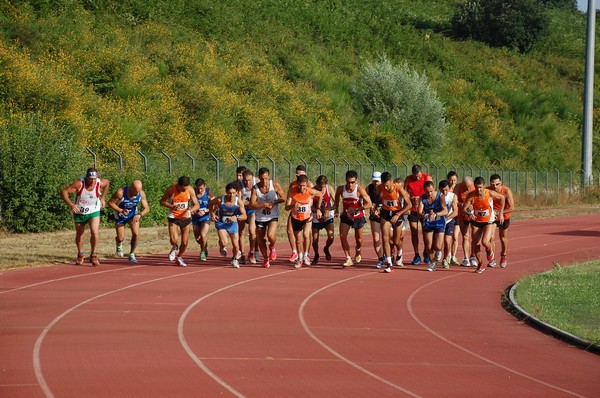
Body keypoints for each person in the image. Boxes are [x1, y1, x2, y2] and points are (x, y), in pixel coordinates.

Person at [60, 167, 110, 266]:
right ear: (86, 177)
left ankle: (94, 255)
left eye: (94, 179)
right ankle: (80, 254)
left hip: (94, 211)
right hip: (80, 212)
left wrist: (103, 198)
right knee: (80, 234)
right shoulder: (79, 184)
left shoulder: (100, 183)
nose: (92, 181)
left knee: (94, 232)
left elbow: (107, 183)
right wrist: (71, 205)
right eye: (90, 179)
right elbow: (64, 192)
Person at [462, 177, 505, 274]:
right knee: (475, 243)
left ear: (484, 186)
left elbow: (502, 198)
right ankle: (480, 264)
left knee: (485, 241)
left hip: (488, 221)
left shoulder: (490, 193)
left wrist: (501, 213)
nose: (478, 190)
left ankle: (489, 250)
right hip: (477, 221)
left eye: (480, 187)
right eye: (477, 187)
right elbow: (463, 209)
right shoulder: (471, 195)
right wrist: (469, 213)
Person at [334, 170, 372, 267]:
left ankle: (358, 250)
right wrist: (337, 210)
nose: (350, 185)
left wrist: (357, 209)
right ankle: (348, 258)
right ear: (345, 180)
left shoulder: (359, 190)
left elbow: (369, 204)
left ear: (356, 181)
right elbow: (337, 199)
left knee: (358, 240)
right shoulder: (340, 189)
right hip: (346, 216)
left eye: (352, 182)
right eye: (348, 182)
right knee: (342, 236)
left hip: (358, 217)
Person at [250, 167, 286, 268]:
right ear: (258, 178)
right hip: (260, 217)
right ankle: (266, 258)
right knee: (261, 239)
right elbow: (252, 204)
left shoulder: (274, 185)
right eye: (262, 179)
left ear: (268, 177)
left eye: (266, 178)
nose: (264, 181)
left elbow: (283, 198)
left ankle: (272, 246)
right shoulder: (255, 188)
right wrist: (264, 205)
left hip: (272, 215)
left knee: (270, 235)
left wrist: (274, 202)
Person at [159, 176, 199, 267]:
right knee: (174, 240)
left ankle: (179, 256)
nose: (185, 190)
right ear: (178, 185)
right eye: (183, 189)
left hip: (185, 217)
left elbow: (197, 205)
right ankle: (174, 247)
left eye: (186, 188)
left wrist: (189, 211)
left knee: (185, 242)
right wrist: (172, 206)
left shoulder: (190, 190)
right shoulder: (170, 189)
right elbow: (162, 201)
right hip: (174, 217)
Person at [107, 180, 150, 264]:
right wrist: (121, 210)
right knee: (121, 238)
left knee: (136, 234)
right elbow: (111, 203)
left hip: (133, 215)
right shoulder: (120, 192)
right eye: (134, 191)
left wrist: (140, 214)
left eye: (137, 192)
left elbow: (147, 208)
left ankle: (132, 254)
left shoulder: (141, 194)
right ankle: (119, 244)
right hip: (120, 215)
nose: (136, 194)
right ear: (130, 187)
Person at [285, 175, 323, 268]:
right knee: (298, 240)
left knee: (306, 235)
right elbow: (286, 207)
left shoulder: (310, 191)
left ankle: (306, 255)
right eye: (300, 186)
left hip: (307, 217)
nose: (302, 188)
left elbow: (320, 194)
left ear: (306, 185)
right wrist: (293, 206)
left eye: (304, 186)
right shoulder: (291, 191)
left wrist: (318, 209)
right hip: (296, 217)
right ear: (297, 184)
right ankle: (300, 257)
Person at [377, 172, 411, 273]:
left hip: (397, 213)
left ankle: (399, 253)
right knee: (385, 238)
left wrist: (398, 214)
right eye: (384, 185)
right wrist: (376, 207)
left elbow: (409, 205)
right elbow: (377, 198)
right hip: (386, 213)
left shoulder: (399, 189)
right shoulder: (380, 187)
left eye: (387, 185)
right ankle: (389, 263)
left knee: (396, 241)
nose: (386, 188)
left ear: (392, 182)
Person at [210, 181, 247, 268]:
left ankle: (234, 259)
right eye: (230, 193)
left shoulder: (239, 202)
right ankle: (222, 246)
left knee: (236, 245)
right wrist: (212, 214)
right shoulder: (220, 200)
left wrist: (236, 217)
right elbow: (211, 203)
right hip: (221, 223)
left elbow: (244, 216)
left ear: (237, 193)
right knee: (224, 242)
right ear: (226, 192)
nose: (231, 195)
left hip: (232, 224)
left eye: (234, 193)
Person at [404, 164, 433, 265]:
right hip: (413, 208)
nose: (417, 177)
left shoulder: (427, 177)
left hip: (424, 208)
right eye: (415, 175)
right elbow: (405, 193)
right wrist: (411, 198)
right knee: (414, 230)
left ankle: (426, 252)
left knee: (426, 231)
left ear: (421, 172)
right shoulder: (408, 179)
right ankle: (416, 254)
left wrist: (420, 198)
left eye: (418, 175)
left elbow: (431, 192)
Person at [418, 181, 449, 272]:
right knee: (428, 245)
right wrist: (426, 215)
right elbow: (419, 212)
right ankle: (432, 263)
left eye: (431, 191)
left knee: (438, 246)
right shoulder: (422, 198)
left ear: (434, 188)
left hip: (439, 222)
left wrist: (435, 214)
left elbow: (445, 211)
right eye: (427, 192)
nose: (429, 194)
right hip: (428, 222)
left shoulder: (440, 196)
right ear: (424, 190)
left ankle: (439, 251)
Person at [286, 165, 314, 263]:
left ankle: (306, 253)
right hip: (295, 211)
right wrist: (293, 205)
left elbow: (315, 197)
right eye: (298, 174)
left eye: (301, 174)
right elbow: (288, 202)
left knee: (306, 234)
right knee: (290, 231)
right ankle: (295, 252)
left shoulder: (309, 185)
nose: (299, 176)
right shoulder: (292, 185)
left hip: (306, 213)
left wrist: (314, 209)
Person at [488, 174, 515, 268]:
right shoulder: (488, 190)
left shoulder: (506, 191)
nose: (495, 186)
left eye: (497, 184)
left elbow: (512, 208)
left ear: (501, 183)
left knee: (502, 237)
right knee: (491, 237)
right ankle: (492, 259)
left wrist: (500, 213)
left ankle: (503, 256)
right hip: (492, 217)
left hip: (504, 216)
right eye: (492, 184)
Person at [311, 175, 336, 265]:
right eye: (319, 186)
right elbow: (309, 206)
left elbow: (336, 203)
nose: (320, 188)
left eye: (322, 187)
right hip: (316, 217)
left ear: (326, 184)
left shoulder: (329, 189)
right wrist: (317, 210)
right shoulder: (312, 190)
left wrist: (330, 209)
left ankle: (326, 248)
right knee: (315, 239)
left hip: (327, 216)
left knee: (331, 236)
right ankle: (316, 254)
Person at [238, 169, 259, 264]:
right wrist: (248, 203)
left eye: (249, 180)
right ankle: (242, 254)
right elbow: (239, 201)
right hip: (242, 209)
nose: (247, 182)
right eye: (245, 180)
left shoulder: (257, 182)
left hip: (252, 210)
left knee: (252, 231)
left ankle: (251, 252)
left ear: (253, 178)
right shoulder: (239, 185)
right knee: (241, 232)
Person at [191, 178, 213, 261]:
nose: (200, 190)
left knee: (203, 235)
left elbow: (214, 205)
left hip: (205, 217)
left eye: (202, 188)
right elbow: (187, 204)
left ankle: (202, 252)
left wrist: (206, 210)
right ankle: (205, 246)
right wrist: (193, 211)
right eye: (198, 188)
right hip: (196, 218)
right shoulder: (192, 192)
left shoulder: (208, 192)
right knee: (198, 239)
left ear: (205, 186)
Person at [455, 176, 475, 266]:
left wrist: (473, 206)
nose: (468, 188)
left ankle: (473, 256)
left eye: (469, 186)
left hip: (474, 213)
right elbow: (454, 201)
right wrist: (462, 205)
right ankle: (466, 258)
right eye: (466, 186)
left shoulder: (475, 187)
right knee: (465, 236)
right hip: (462, 213)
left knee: (475, 236)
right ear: (462, 183)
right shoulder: (458, 187)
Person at [367, 172, 384, 268]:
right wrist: (370, 207)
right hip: (374, 216)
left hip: (385, 215)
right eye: (374, 181)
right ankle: (380, 258)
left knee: (388, 238)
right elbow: (364, 200)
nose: (375, 183)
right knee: (376, 238)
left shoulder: (385, 188)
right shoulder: (369, 188)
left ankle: (390, 252)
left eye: (377, 181)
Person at [439, 180, 458, 269]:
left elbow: (456, 212)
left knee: (447, 241)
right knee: (437, 244)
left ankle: (445, 259)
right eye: (442, 190)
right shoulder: (437, 196)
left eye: (446, 190)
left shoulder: (452, 196)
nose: (445, 192)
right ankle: (435, 256)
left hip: (449, 220)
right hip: (438, 221)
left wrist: (447, 218)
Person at [446, 171, 461, 266]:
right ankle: (448, 254)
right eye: (451, 180)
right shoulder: (445, 190)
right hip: (449, 216)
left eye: (454, 180)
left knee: (455, 236)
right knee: (448, 238)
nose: (452, 182)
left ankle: (453, 256)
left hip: (457, 215)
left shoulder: (459, 189)